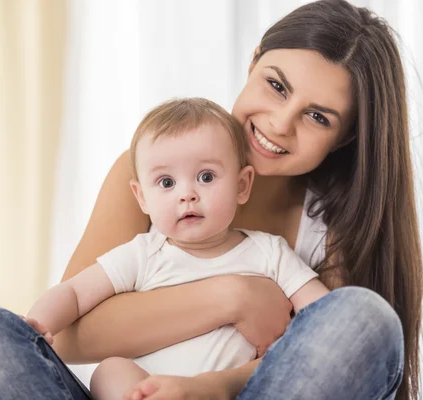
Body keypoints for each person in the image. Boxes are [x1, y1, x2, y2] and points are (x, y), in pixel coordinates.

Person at [0, 0, 423, 399]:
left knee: (366, 316)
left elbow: (320, 349)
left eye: (318, 117)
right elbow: (67, 336)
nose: (280, 123)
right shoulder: (156, 174)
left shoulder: (330, 226)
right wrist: (233, 296)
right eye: (276, 86)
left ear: (343, 139)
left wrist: (208, 389)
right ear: (253, 61)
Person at [23, 98, 331, 400]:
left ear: (241, 186)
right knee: (110, 371)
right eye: (167, 182)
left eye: (206, 177)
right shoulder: (143, 254)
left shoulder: (269, 252)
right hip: (148, 389)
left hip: (231, 392)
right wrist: (36, 325)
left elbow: (327, 314)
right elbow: (75, 293)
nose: (187, 194)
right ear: (141, 197)